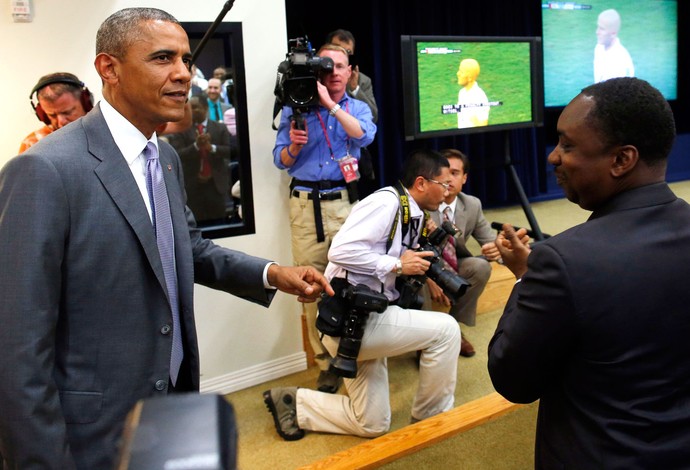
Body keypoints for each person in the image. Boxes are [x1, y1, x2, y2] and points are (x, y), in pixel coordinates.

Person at [0, 8, 333, 470]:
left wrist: (272, 273)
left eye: (184, 59)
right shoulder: (44, 170)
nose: (182, 74)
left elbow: (188, 250)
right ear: (108, 69)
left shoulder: (164, 158)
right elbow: (17, 349)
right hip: (90, 432)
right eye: (162, 58)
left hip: (168, 401)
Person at [487, 77, 690, 468]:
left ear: (621, 160)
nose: (552, 157)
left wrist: (526, 278)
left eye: (567, 144)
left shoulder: (560, 261)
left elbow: (513, 380)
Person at [264, 149, 461, 441]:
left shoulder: (411, 212)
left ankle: (294, 402)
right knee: (446, 330)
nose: (448, 191)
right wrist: (396, 264)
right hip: (347, 322)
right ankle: (430, 422)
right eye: (444, 184)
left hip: (366, 315)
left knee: (372, 423)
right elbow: (340, 251)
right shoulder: (386, 203)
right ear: (421, 183)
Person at [272, 43, 376, 394]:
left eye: (340, 67)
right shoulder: (294, 108)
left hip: (346, 205)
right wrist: (295, 147)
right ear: (318, 70)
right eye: (326, 67)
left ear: (350, 72)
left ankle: (357, 351)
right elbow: (280, 160)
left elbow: (363, 136)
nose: (333, 73)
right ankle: (324, 362)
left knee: (355, 278)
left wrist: (331, 105)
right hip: (306, 206)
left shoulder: (356, 107)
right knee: (310, 285)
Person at [423, 148, 518, 357]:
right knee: (418, 280)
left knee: (480, 266)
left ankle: (454, 326)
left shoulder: (471, 204)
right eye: (444, 173)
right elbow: (406, 249)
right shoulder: (422, 202)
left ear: (464, 178)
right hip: (421, 268)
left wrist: (498, 248)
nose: (448, 179)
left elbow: (492, 242)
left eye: (455, 173)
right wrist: (428, 277)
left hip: (453, 266)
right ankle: (425, 340)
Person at [326, 29, 379, 197]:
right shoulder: (320, 78)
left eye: (347, 52)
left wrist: (354, 89)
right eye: (336, 48)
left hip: (353, 156)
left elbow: (373, 117)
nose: (342, 54)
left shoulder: (362, 80)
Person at [166, 93, 235, 222]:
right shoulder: (181, 129)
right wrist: (196, 146)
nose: (192, 110)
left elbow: (230, 151)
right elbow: (177, 155)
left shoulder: (219, 127)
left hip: (216, 185)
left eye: (195, 107)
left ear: (205, 108)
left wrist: (211, 148)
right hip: (193, 187)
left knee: (219, 223)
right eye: (190, 107)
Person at [19, 72, 93, 154]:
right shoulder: (32, 145)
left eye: (67, 112)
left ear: (86, 103)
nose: (61, 122)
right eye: (52, 115)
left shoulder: (107, 130)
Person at [593, 9, 634, 83]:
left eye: (602, 29)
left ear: (613, 33)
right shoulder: (599, 48)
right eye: (598, 27)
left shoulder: (621, 62)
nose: (597, 32)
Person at [456, 58, 489, 128]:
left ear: (470, 78)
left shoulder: (480, 97)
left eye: (461, 72)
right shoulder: (462, 93)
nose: (457, 74)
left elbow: (483, 125)